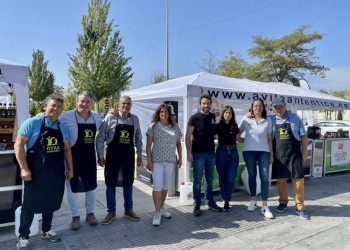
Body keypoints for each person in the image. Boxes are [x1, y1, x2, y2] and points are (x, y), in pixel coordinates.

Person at [14, 95, 73, 249]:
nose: (56, 109)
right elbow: (18, 145)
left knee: (51, 202)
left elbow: (67, 150)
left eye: (59, 106)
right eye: (53, 105)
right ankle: (23, 237)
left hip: (56, 173)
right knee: (29, 205)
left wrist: (70, 168)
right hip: (35, 173)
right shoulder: (32, 123)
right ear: (45, 105)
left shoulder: (62, 127)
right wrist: (24, 168)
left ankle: (46, 230)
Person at [59, 91, 103, 230]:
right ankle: (75, 216)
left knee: (91, 186)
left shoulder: (97, 118)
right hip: (72, 157)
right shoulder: (65, 117)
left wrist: (113, 113)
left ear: (91, 104)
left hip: (89, 156)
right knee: (72, 187)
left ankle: (90, 213)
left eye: (87, 102)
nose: (84, 104)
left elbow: (105, 130)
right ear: (76, 102)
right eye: (82, 101)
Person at [96, 96, 143, 224]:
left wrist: (139, 155)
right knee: (110, 183)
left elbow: (138, 138)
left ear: (131, 105)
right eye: (123, 103)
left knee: (128, 182)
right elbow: (100, 137)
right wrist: (100, 155)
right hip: (113, 155)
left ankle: (128, 209)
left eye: (128, 104)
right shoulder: (110, 117)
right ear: (119, 104)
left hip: (128, 155)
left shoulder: (135, 119)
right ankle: (111, 212)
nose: (126, 106)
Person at [270, 97, 309, 220]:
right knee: (281, 181)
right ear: (273, 108)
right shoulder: (271, 119)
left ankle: (300, 207)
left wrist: (304, 152)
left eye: (280, 106)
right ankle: (283, 202)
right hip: (279, 155)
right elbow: (255, 115)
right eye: (276, 107)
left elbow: (303, 136)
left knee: (298, 182)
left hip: (294, 154)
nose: (279, 109)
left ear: (285, 105)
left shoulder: (295, 118)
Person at [185, 94, 222, 216]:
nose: (206, 105)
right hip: (198, 153)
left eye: (208, 103)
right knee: (197, 180)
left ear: (211, 104)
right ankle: (197, 203)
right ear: (200, 104)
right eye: (204, 103)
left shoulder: (212, 116)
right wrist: (189, 153)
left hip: (211, 153)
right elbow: (187, 137)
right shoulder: (194, 118)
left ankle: (210, 201)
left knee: (209, 179)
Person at [146, 104, 182, 226]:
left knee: (165, 186)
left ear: (169, 114)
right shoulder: (153, 126)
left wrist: (180, 158)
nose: (164, 114)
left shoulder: (175, 126)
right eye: (161, 112)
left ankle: (161, 208)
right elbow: (148, 145)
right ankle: (156, 213)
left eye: (166, 112)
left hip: (170, 161)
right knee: (157, 186)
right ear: (158, 113)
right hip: (157, 161)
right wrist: (149, 161)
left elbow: (178, 144)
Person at [238, 98, 274, 219]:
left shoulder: (268, 120)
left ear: (263, 108)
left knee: (264, 177)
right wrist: (244, 140)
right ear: (252, 108)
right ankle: (253, 200)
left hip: (264, 151)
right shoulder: (246, 119)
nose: (257, 108)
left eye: (259, 106)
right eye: (255, 106)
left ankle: (265, 205)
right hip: (249, 151)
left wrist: (272, 154)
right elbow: (237, 134)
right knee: (252, 175)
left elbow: (269, 138)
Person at [215, 105, 240, 212]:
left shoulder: (234, 125)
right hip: (222, 152)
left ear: (232, 115)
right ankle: (226, 200)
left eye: (229, 113)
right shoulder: (218, 125)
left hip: (233, 152)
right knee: (222, 177)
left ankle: (227, 198)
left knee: (230, 178)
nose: (227, 114)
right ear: (223, 114)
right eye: (226, 112)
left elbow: (239, 138)